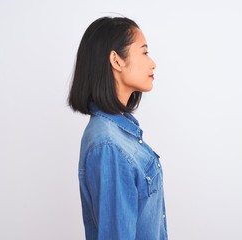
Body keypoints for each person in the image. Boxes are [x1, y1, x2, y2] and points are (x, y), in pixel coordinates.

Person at [68, 16, 168, 240]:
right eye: (144, 52)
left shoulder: (121, 130)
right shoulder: (109, 145)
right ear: (116, 60)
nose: (152, 63)